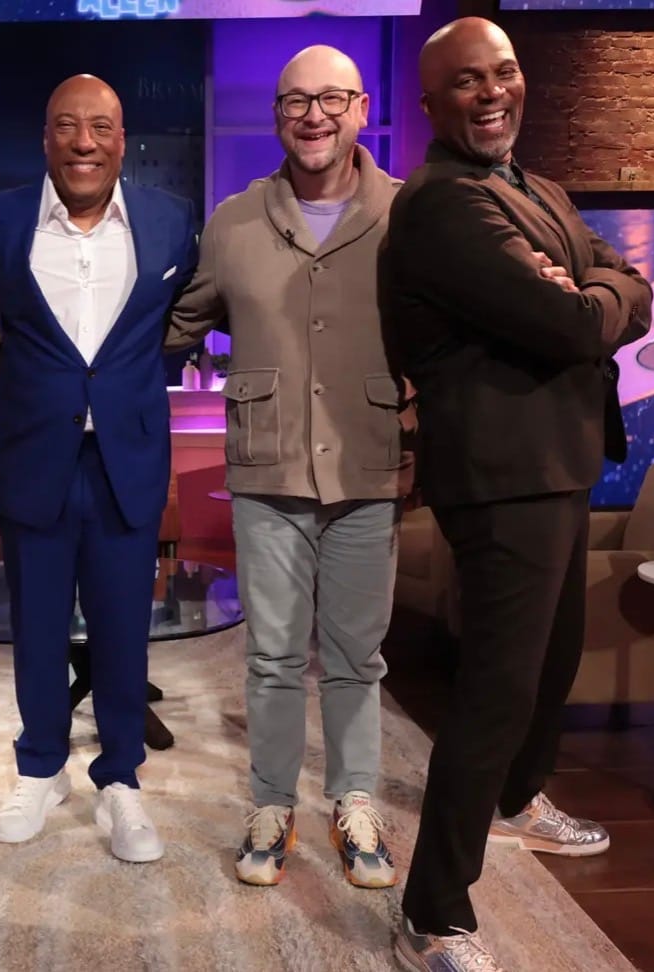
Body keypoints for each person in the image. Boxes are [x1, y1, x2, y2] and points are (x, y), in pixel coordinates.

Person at [380, 18, 652, 972]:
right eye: (465, 82)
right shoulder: (443, 204)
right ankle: (433, 912)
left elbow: (620, 285)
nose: (490, 92)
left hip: (561, 462)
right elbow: (573, 324)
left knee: (549, 663)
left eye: (502, 73)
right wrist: (588, 298)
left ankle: (515, 801)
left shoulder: (535, 189)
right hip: (500, 478)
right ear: (430, 105)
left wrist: (594, 288)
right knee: (495, 690)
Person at [167, 45, 411, 891]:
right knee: (272, 656)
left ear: (360, 106)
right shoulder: (233, 221)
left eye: (331, 99)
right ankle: (271, 804)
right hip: (266, 466)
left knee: (355, 655)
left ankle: (353, 800)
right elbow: (180, 323)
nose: (313, 114)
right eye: (295, 101)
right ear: (277, 116)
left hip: (368, 462)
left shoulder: (409, 213)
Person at [0, 74, 198, 863]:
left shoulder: (171, 224)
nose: (83, 142)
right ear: (45, 139)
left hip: (125, 458)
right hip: (35, 453)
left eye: (99, 127)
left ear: (120, 137)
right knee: (33, 623)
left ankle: (121, 777)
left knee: (123, 630)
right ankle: (39, 767)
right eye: (66, 126)